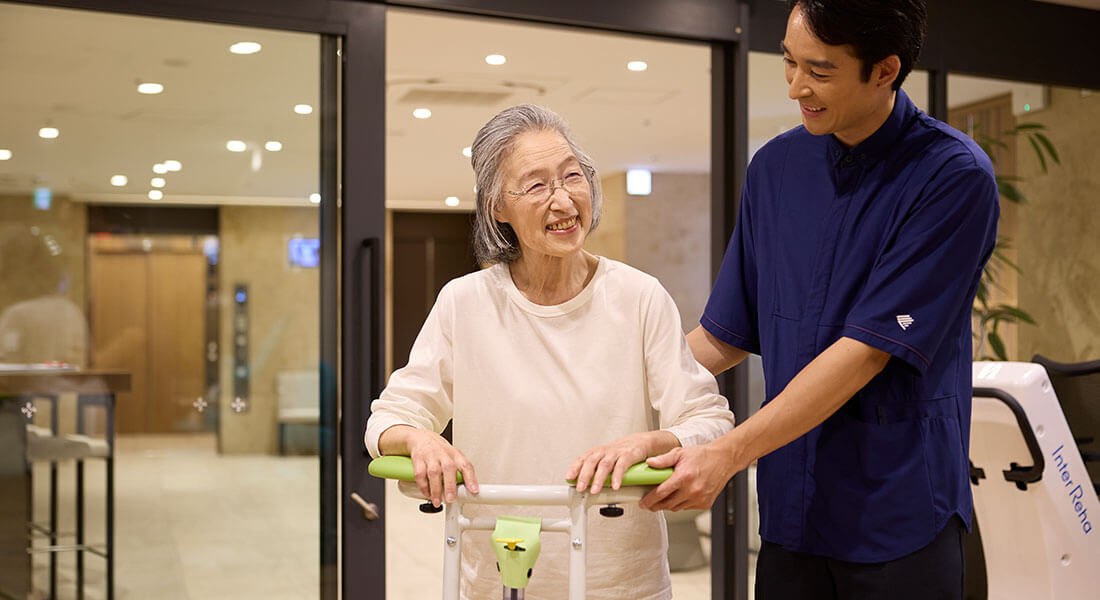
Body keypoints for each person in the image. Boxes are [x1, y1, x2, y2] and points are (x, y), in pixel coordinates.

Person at [639, 1, 999, 598]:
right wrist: (609, 392)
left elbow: (866, 352)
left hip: (897, 514)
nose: (796, 87)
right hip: (791, 514)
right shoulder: (775, 169)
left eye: (820, 71)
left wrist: (726, 455)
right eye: (788, 63)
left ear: (885, 70)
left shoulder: (952, 176)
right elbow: (724, 337)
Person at [365, 104, 735, 600]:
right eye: (537, 185)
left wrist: (652, 442)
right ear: (498, 207)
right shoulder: (465, 302)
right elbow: (389, 417)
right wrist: (416, 438)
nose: (563, 200)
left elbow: (708, 420)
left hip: (622, 585)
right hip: (498, 579)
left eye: (572, 177)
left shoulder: (638, 296)